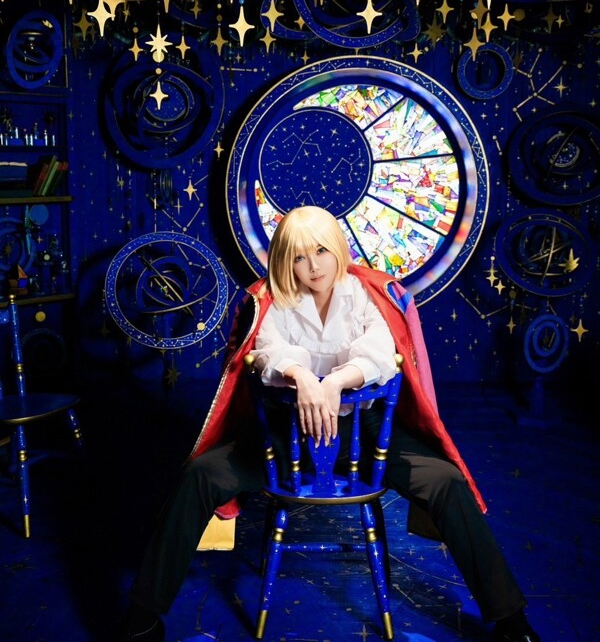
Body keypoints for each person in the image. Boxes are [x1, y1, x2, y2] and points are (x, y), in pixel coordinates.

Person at [119, 205, 540, 642]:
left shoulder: (367, 294)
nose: (313, 266)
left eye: (321, 251)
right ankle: (142, 614)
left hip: (366, 437)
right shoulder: (272, 301)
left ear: (337, 247)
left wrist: (335, 382)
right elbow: (266, 352)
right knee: (199, 475)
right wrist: (302, 377)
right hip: (287, 439)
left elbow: (380, 353)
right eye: (299, 257)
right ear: (286, 261)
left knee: (446, 481)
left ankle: (510, 618)